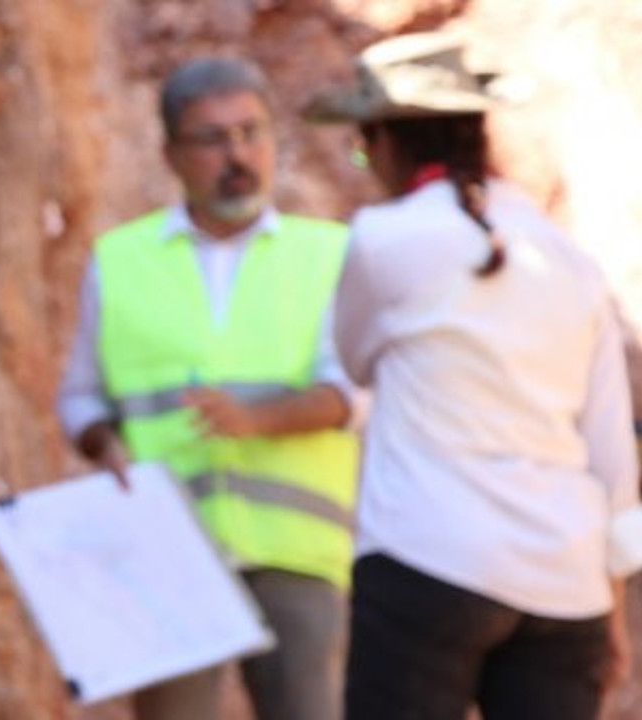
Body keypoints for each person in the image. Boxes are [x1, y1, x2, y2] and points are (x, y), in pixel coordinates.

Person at [305, 31, 642, 720]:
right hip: (563, 580)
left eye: (365, 147)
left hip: (427, 555)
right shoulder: (567, 260)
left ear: (387, 142)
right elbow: (611, 452)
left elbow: (351, 361)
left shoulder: (382, 239)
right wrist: (608, 602)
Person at [57, 56, 362, 720]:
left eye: (252, 133)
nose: (238, 154)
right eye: (214, 138)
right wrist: (103, 443)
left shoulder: (330, 254)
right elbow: (81, 397)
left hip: (296, 552)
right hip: (169, 549)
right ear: (171, 153)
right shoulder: (119, 262)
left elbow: (353, 395)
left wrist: (256, 421)